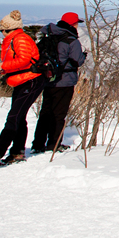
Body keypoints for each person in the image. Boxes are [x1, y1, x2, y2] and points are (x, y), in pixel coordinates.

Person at [0, 10, 44, 167]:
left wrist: (4, 65)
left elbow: (24, 60)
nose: (1, 34)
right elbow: (20, 62)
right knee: (19, 117)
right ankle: (17, 152)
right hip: (22, 81)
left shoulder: (20, 39)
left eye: (2, 30)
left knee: (13, 117)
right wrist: (5, 69)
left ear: (8, 29)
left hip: (30, 81)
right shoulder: (14, 39)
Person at [31, 12, 87, 155]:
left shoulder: (49, 36)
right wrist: (84, 55)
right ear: (72, 24)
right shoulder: (71, 40)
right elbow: (77, 60)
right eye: (76, 23)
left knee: (45, 112)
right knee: (59, 114)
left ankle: (38, 143)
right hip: (65, 81)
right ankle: (54, 144)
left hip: (48, 79)